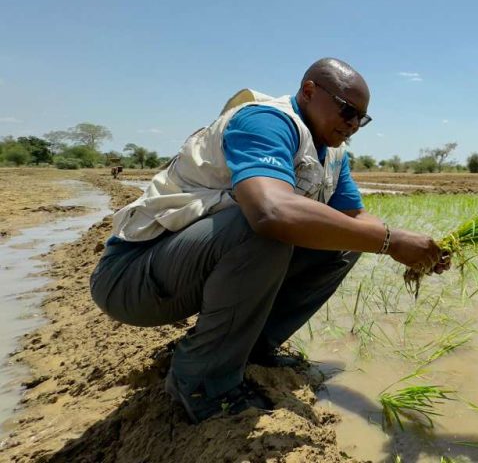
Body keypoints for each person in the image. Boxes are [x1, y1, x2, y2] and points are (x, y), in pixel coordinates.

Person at [90, 57, 450, 424]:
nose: (353, 125)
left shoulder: (334, 153)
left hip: (185, 270)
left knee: (347, 241)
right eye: (347, 111)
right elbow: (270, 211)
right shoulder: (265, 121)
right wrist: (390, 241)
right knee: (263, 227)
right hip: (133, 278)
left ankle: (251, 347)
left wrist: (413, 246)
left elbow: (355, 218)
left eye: (362, 118)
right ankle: (201, 381)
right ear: (309, 91)